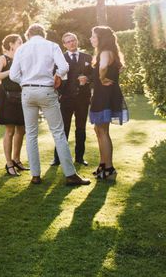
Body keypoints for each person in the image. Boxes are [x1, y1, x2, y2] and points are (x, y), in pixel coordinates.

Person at [9, 24, 91, 186]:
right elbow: (64, 67)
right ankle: (70, 174)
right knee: (58, 133)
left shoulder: (22, 49)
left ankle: (35, 175)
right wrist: (57, 76)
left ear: (28, 35)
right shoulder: (51, 46)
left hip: (27, 92)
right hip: (46, 90)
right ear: (43, 34)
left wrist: (25, 82)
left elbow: (13, 75)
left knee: (31, 134)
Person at [89, 26, 127, 181]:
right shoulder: (109, 52)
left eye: (93, 36)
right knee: (99, 130)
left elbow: (103, 66)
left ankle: (109, 168)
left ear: (101, 38)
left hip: (105, 95)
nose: (91, 39)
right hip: (103, 94)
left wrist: (102, 78)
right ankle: (103, 165)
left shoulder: (105, 53)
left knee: (103, 131)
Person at [51, 32, 92, 167]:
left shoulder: (88, 57)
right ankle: (57, 158)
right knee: (63, 129)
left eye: (73, 40)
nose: (71, 43)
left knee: (81, 128)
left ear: (77, 41)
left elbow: (94, 76)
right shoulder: (60, 58)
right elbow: (55, 78)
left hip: (83, 98)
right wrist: (61, 92)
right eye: (68, 42)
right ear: (64, 45)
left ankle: (79, 157)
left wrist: (88, 79)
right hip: (66, 99)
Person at [0, 34, 28, 177]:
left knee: (22, 130)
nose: (22, 43)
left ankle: (17, 160)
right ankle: (8, 163)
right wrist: (11, 71)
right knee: (10, 131)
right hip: (7, 97)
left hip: (22, 96)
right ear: (11, 44)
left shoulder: (22, 58)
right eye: (20, 42)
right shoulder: (3, 58)